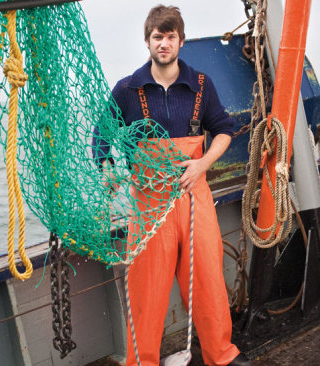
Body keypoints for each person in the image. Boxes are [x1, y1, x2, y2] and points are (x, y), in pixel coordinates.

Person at [92, 5, 251, 366]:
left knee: (208, 277)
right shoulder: (127, 89)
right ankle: (142, 361)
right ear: (147, 41)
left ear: (181, 40)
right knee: (147, 288)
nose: (164, 43)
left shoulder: (200, 85)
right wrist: (106, 169)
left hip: (194, 194)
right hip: (148, 202)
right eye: (157, 37)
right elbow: (102, 134)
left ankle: (221, 355)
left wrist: (202, 164)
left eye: (170, 36)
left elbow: (225, 128)